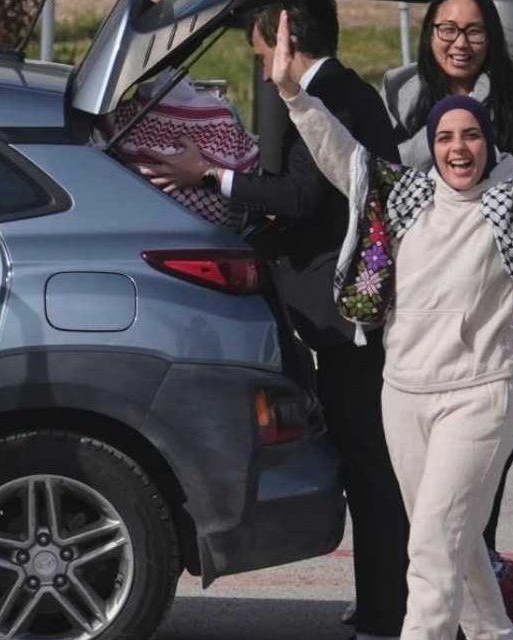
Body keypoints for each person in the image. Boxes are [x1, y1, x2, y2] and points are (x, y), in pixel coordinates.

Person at [272, 10, 513, 638]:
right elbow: (341, 158)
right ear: (431, 149)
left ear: (489, 145)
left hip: (480, 396)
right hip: (404, 396)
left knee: (430, 551)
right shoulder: (403, 198)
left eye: (472, 137)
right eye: (446, 138)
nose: (459, 148)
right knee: (454, 549)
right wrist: (294, 95)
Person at [139, 3, 410, 639]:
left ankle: (386, 612)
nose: (263, 70)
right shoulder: (342, 90)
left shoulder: (331, 97)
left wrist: (209, 173)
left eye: (263, 55)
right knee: (363, 462)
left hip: (345, 318)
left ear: (285, 41)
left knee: (369, 465)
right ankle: (380, 603)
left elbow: (300, 196)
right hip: (335, 312)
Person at [380, 0, 513, 556]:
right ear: (429, 34)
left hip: (495, 325)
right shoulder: (398, 92)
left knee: (475, 486)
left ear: (491, 36)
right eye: (447, 29)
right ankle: (445, 598)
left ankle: (467, 591)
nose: (459, 42)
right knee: (424, 492)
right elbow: (379, 180)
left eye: (473, 30)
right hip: (420, 322)